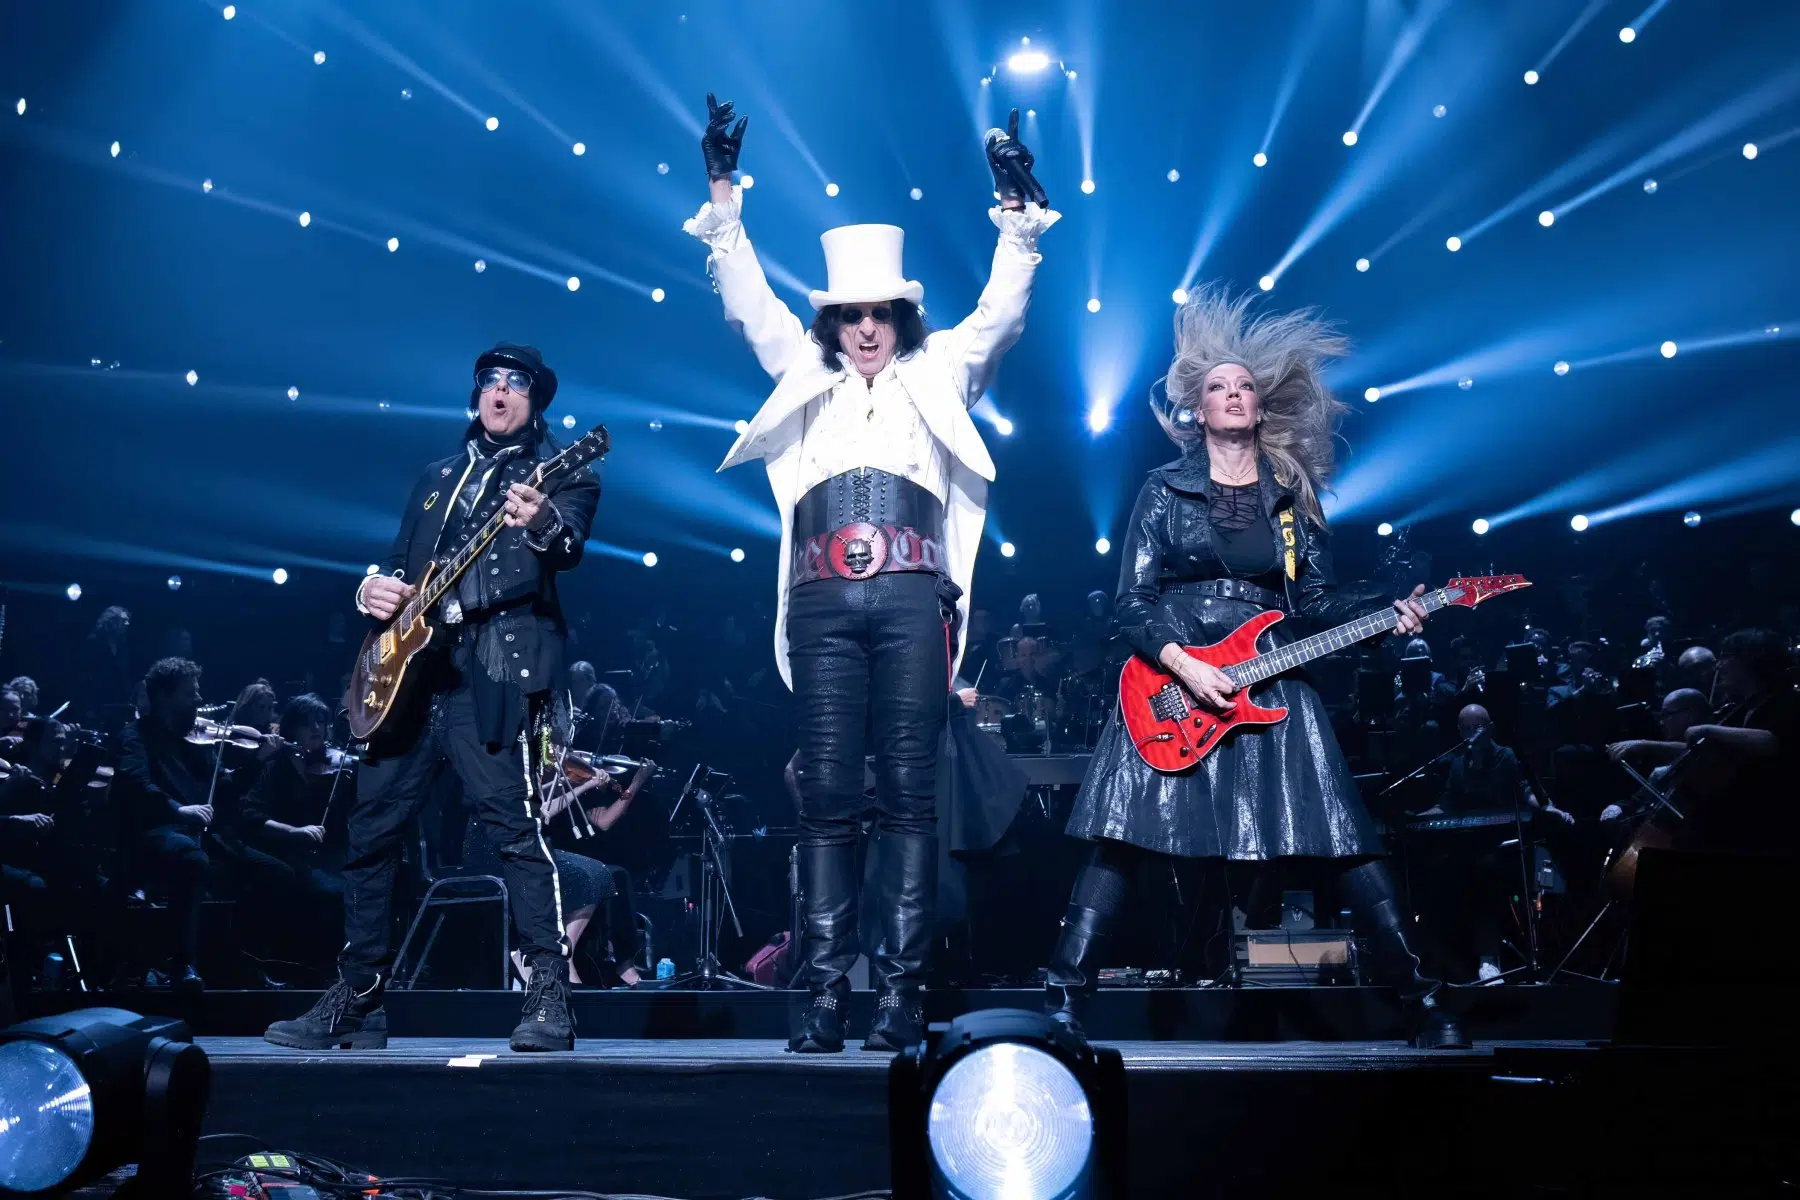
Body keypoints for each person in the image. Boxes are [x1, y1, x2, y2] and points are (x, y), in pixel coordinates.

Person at [685, 94, 1056, 1053]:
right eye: (848, 314)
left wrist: (1017, 218)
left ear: (900, 315)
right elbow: (745, 302)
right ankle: (819, 994)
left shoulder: (941, 374)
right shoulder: (798, 377)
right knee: (826, 794)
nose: (863, 328)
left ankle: (895, 992)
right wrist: (723, 193)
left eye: (878, 313)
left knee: (906, 793)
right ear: (834, 322)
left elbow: (1001, 317)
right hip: (818, 598)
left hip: (908, 594)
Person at [1048, 286, 1467, 1049]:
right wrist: (1181, 665)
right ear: (1196, 411)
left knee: (1341, 833)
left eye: (1244, 385)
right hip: (1174, 681)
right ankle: (1065, 999)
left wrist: (1391, 618)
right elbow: (1131, 603)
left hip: (1271, 674)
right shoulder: (1162, 489)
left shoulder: (1289, 501)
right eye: (1218, 387)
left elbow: (1315, 602)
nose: (1234, 394)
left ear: (1259, 404)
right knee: (1122, 836)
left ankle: (1425, 999)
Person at [264, 342, 600, 1054]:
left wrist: (539, 520)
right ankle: (359, 998)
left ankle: (548, 994)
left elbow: (566, 547)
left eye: (516, 384)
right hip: (411, 679)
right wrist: (369, 589)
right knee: (370, 834)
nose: (500, 393)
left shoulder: (555, 474)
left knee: (512, 829)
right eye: (490, 382)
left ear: (536, 400)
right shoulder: (435, 477)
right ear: (476, 395)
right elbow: (399, 565)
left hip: (492, 671)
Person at [114, 657, 255, 992]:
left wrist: (256, 764)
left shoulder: (196, 741)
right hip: (152, 833)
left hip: (195, 833)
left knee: (268, 870)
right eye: (190, 692)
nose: (199, 699)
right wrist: (180, 810)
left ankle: (244, 963)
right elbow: (137, 786)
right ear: (164, 696)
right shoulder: (134, 736)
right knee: (191, 859)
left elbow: (224, 789)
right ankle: (180, 964)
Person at [240, 694, 350, 973]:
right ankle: (312, 966)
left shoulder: (340, 766)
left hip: (331, 852)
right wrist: (295, 831)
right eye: (306, 723)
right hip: (286, 851)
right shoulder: (274, 768)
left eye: (321, 722)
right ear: (291, 729)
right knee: (326, 891)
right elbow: (252, 817)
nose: (316, 729)